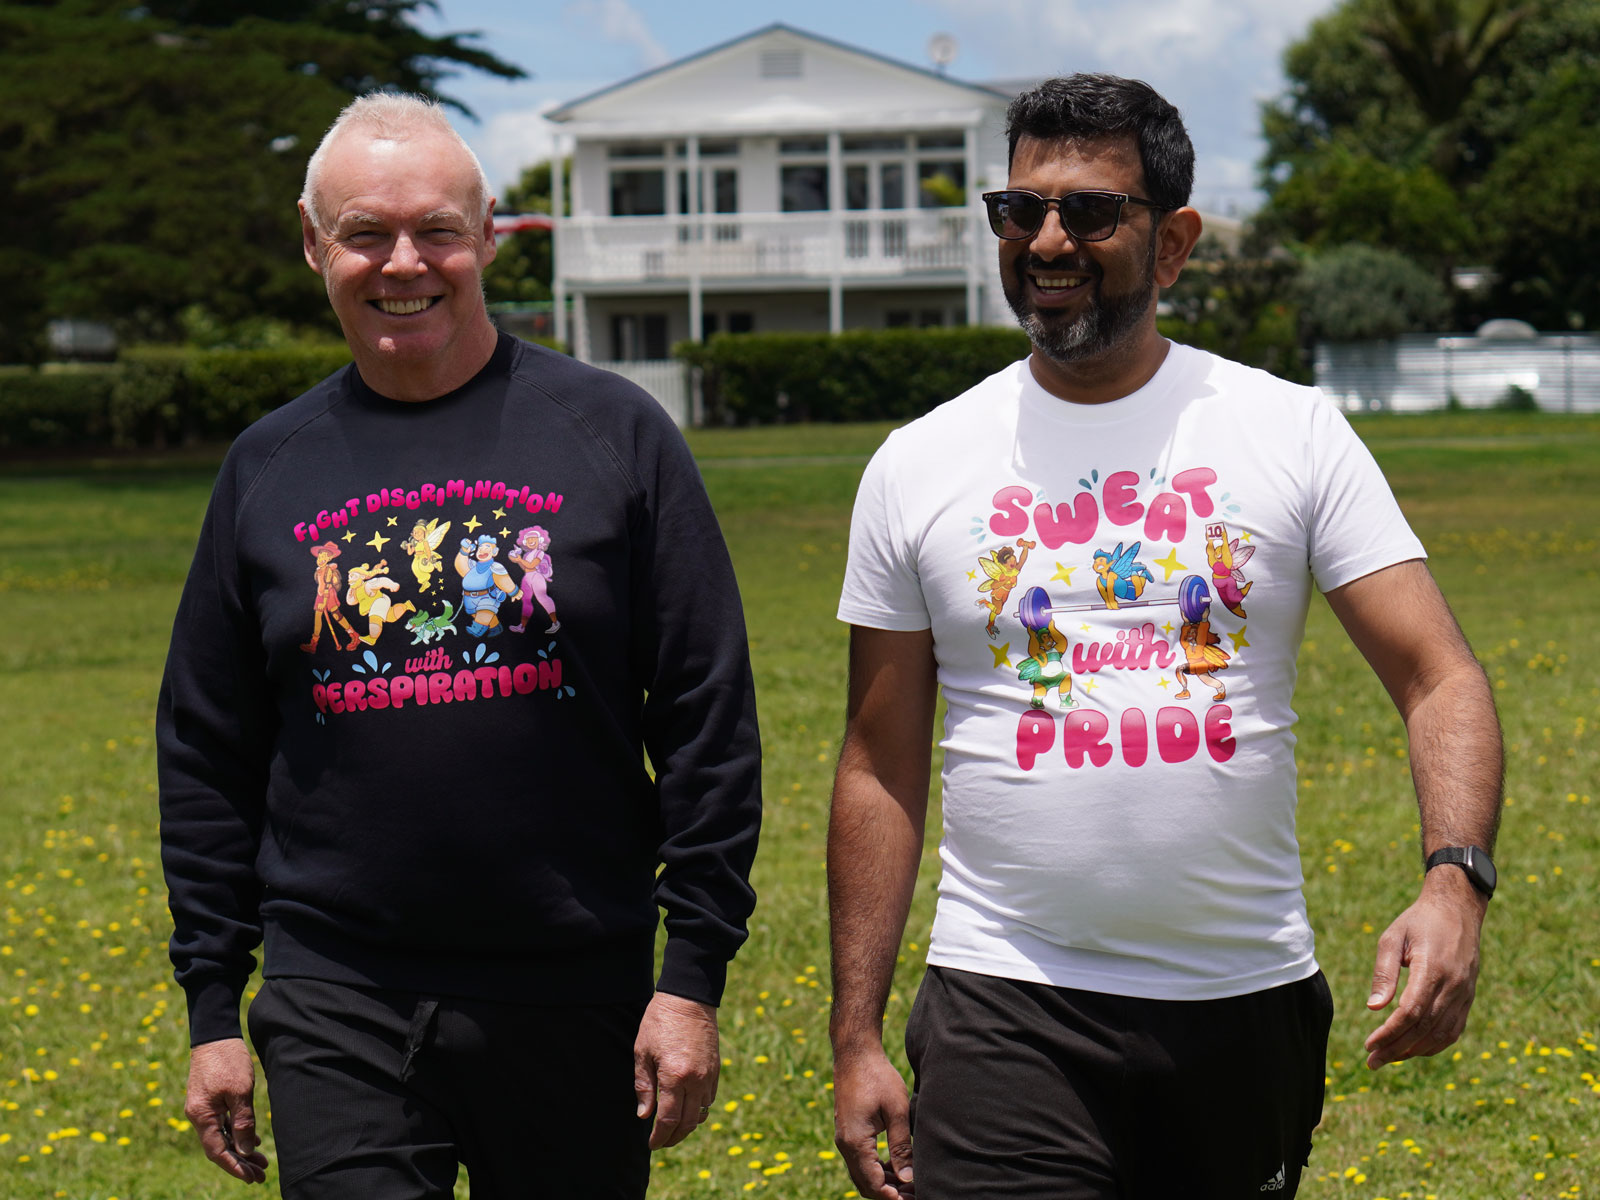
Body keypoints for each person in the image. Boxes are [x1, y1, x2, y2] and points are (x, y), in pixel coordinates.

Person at [827, 74, 1501, 1200]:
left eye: (1089, 211)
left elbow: (1439, 676)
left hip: (1239, 1002)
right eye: (1019, 211)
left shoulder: (1288, 432)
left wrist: (1454, 882)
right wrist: (854, 1034)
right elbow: (878, 763)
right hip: (1005, 999)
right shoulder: (917, 461)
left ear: (1173, 242)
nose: (1047, 240)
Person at [157, 92, 761, 1199]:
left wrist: (690, 981)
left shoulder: (614, 432)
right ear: (312, 243)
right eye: (364, 233)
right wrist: (212, 1005)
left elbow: (704, 717)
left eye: (437, 229)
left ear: (489, 237)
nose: (404, 263)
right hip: (338, 988)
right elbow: (207, 747)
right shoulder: (265, 467)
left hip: (576, 986)